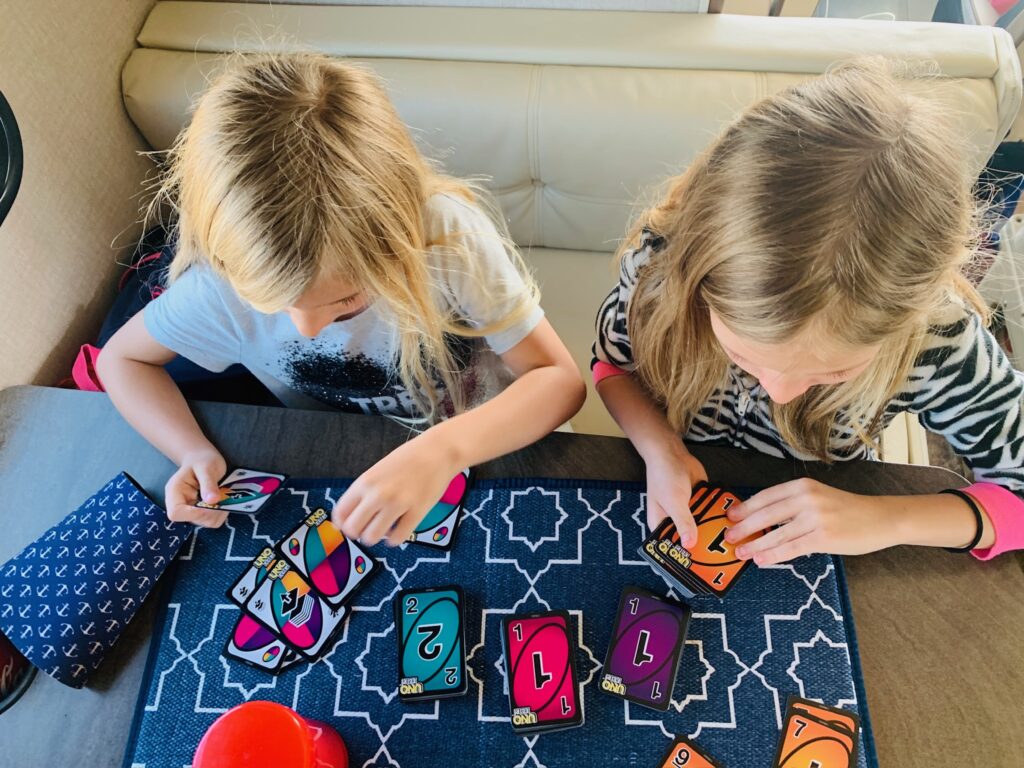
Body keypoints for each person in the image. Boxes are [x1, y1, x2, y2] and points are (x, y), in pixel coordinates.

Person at [98, 53, 585, 545]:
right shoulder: (215, 288)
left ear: (399, 238)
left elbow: (559, 382)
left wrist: (444, 451)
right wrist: (191, 452)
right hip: (346, 456)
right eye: (270, 302)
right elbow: (121, 360)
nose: (308, 328)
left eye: (348, 301)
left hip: (500, 441)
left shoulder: (445, 238)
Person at [592, 58, 1024, 564]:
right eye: (742, 353)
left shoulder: (938, 341)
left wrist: (887, 518)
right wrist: (658, 445)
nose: (777, 391)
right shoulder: (658, 268)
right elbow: (612, 365)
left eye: (834, 371)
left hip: (829, 521)